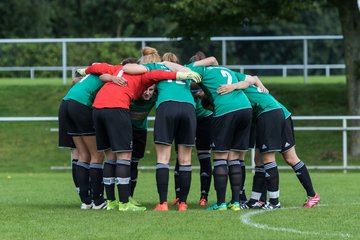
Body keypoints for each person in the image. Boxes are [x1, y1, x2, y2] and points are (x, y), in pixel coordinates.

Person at [82, 58, 201, 211]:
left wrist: (85, 71)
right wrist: (180, 75)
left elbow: (98, 69)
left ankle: (111, 201)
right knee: (124, 156)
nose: (147, 91)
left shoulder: (117, 69)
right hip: (117, 107)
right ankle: (125, 203)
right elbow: (161, 74)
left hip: (98, 108)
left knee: (110, 156)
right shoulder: (146, 75)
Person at [164, 53, 258, 211]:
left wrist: (167, 64)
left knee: (220, 157)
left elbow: (175, 68)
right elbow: (246, 79)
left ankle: (220, 203)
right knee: (235, 158)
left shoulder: (200, 71)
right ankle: (235, 203)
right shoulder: (224, 70)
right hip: (246, 108)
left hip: (226, 110)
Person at [217, 74, 321, 209]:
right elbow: (254, 79)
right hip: (274, 113)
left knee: (274, 158)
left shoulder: (229, 83)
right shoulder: (228, 88)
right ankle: (256, 200)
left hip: (271, 113)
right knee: (261, 160)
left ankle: (275, 201)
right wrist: (260, 85)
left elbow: (249, 81)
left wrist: (235, 86)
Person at [123, 48, 198, 211]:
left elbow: (127, 68)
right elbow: (192, 72)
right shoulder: (182, 69)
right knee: (185, 159)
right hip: (188, 107)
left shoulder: (155, 67)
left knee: (163, 158)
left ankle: (163, 203)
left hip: (167, 106)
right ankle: (183, 203)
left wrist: (156, 66)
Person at [58, 72, 125, 209]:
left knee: (83, 155)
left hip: (66, 103)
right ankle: (98, 201)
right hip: (81, 105)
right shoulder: (114, 76)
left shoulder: (96, 72)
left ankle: (86, 201)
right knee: (97, 155)